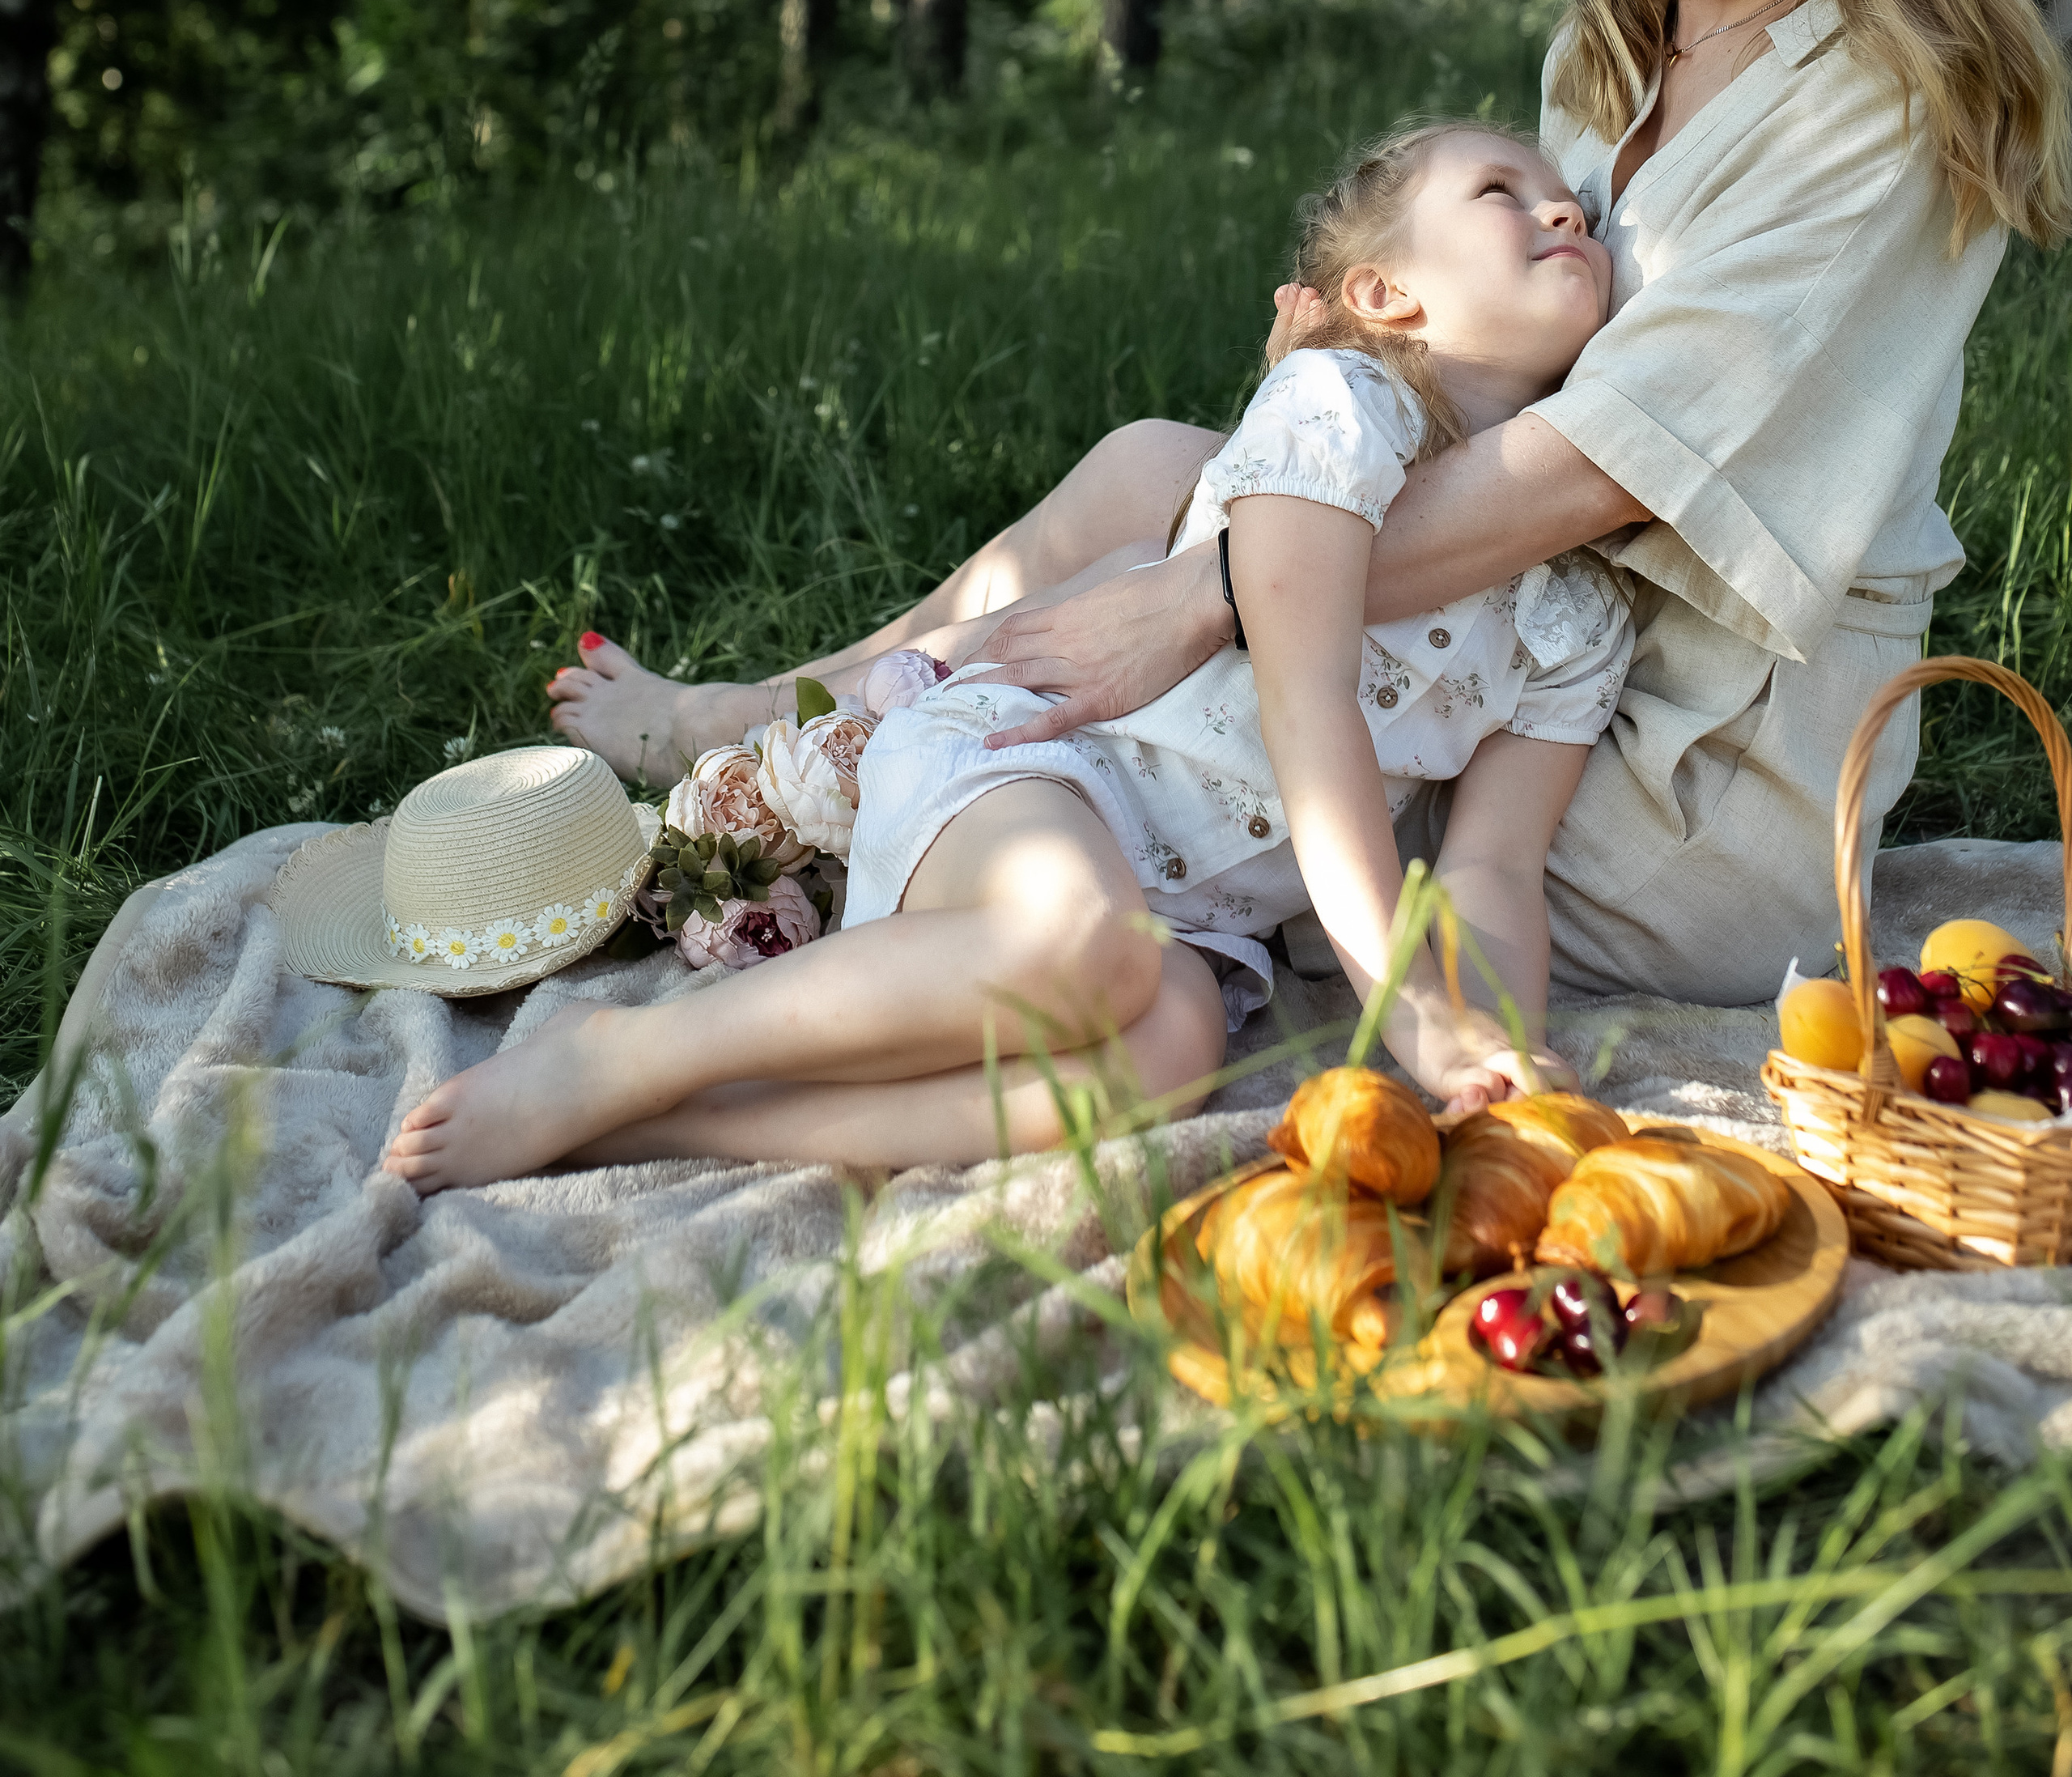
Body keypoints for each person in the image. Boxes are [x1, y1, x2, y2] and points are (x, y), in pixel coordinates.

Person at [552, 0, 2072, 1011]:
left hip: (1667, 764)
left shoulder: (1883, 108)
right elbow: (1517, 368)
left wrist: (1209, 595)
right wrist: (1330, 386)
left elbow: (1597, 470)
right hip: (1514, 621)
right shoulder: (1615, 46)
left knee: (1152, 652)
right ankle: (786, 724)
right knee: (1157, 471)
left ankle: (850, 786)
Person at [384, 124, 1630, 1188]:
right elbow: (1309, 710)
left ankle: (689, 1126)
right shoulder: (1339, 417)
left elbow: (1491, 870)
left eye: (1562, 199)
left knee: (1171, 1049)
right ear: (1384, 294)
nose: (1561, 204)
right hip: (1039, 761)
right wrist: (1417, 1020)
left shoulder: (1575, 612)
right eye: (1498, 192)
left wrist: (1496, 1058)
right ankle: (626, 1054)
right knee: (1078, 936)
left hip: (1189, 919)